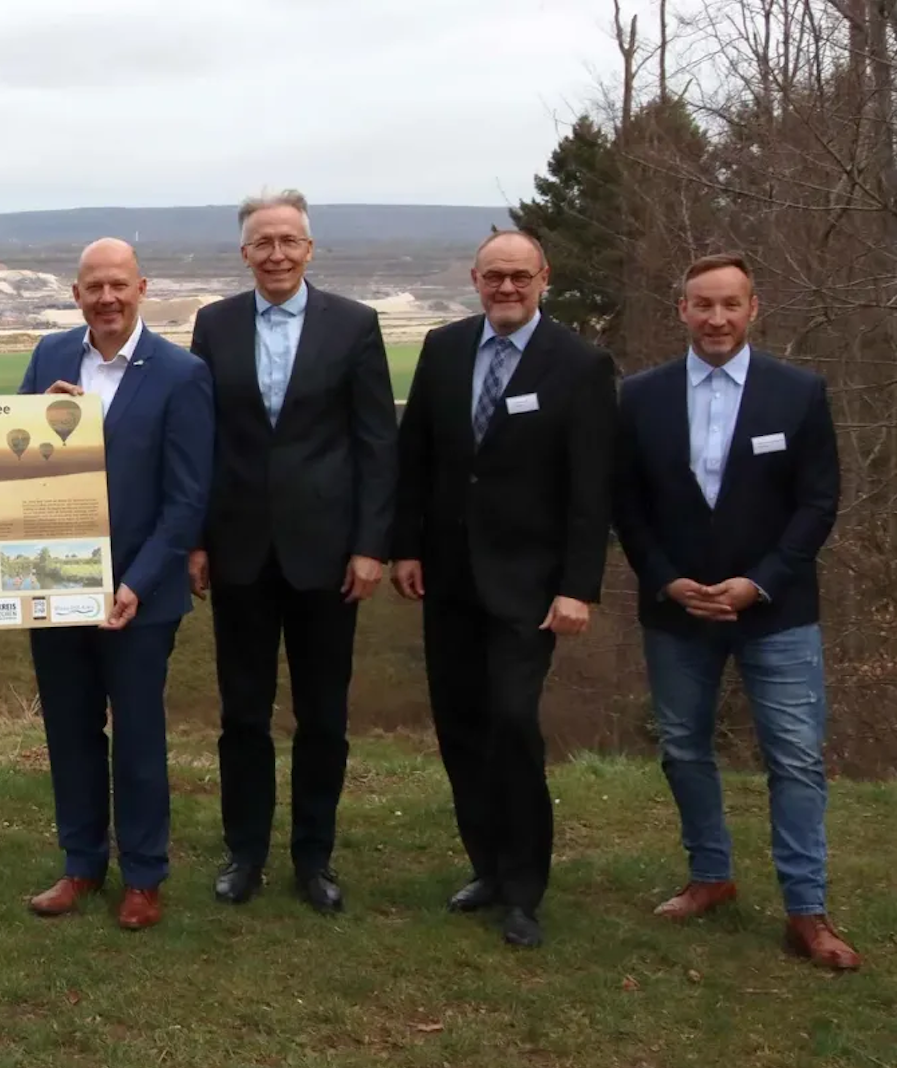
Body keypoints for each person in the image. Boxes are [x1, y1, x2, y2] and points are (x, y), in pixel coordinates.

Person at [612, 253, 859, 970]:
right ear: (681, 309)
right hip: (678, 610)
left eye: (729, 304)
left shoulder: (798, 393)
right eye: (702, 304)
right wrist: (665, 579)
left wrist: (762, 582)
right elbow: (626, 504)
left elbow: (819, 502)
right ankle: (711, 874)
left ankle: (807, 910)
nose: (716, 318)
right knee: (684, 747)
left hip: (776, 611)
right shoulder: (643, 396)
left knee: (796, 759)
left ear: (754, 309)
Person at [390, 229, 616, 949]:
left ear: (544, 277)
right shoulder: (445, 348)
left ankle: (524, 888)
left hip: (529, 585)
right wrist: (404, 546)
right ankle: (485, 865)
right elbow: (415, 456)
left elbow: (591, 487)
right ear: (475, 279)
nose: (508, 288)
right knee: (460, 727)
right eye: (495, 277)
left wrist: (580, 586)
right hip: (448, 578)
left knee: (513, 723)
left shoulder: (579, 364)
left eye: (521, 276)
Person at [187, 190, 398, 914]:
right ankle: (244, 852)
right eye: (262, 242)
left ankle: (315, 856)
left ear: (310, 249)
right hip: (240, 550)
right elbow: (199, 440)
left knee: (323, 716)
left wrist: (372, 545)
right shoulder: (213, 324)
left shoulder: (356, 326)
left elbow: (377, 443)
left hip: (327, 555)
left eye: (288, 240)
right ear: (243, 252)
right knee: (242, 715)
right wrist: (197, 540)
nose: (276, 253)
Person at [20, 238, 213, 930]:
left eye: (118, 285)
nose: (106, 298)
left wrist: (138, 580)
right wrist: (35, 417)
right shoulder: (48, 356)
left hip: (141, 591)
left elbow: (187, 497)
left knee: (137, 735)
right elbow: (12, 457)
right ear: (76, 294)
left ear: (142, 288)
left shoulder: (182, 373)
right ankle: (80, 863)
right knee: (70, 730)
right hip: (54, 583)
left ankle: (144, 875)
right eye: (93, 286)